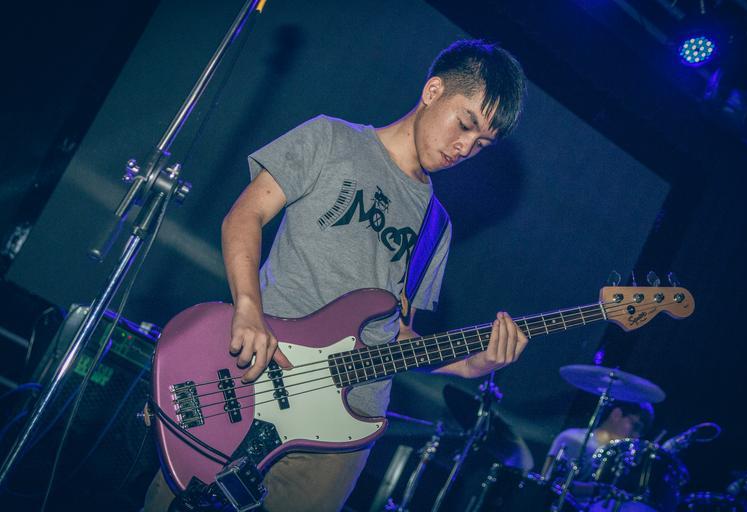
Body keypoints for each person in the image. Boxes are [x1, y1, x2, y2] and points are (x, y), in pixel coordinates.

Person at [144, 39, 528, 512]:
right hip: (256, 380)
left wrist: (470, 365)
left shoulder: (437, 227)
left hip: (344, 431)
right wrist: (248, 309)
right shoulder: (331, 139)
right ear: (433, 91)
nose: (465, 147)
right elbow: (244, 217)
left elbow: (396, 335)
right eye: (465, 124)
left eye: (482, 144)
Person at [540, 400, 655, 501]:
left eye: (641, 433)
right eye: (636, 426)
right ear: (616, 414)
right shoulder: (572, 439)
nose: (636, 436)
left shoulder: (625, 460)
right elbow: (547, 483)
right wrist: (603, 490)